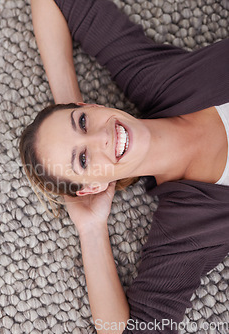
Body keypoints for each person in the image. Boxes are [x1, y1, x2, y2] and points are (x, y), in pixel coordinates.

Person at [21, 0, 229, 333]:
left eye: (84, 121)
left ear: (89, 105)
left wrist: (66, 103)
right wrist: (91, 229)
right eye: (83, 159)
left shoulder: (156, 79)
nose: (102, 137)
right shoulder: (187, 230)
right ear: (91, 186)